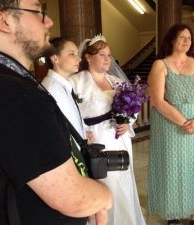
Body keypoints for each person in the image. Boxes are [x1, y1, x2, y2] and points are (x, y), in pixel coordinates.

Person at [0, 1, 112, 225]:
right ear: (3, 20)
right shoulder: (12, 94)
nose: (49, 21)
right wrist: (104, 196)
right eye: (39, 11)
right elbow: (73, 198)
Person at [69, 35, 146, 225]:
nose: (107, 59)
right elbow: (68, 113)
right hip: (95, 142)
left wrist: (128, 121)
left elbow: (134, 108)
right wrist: (82, 132)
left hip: (119, 138)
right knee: (103, 185)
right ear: (87, 57)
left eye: (109, 55)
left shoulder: (117, 82)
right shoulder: (75, 83)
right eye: (101, 54)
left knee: (123, 183)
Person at [147, 23, 194, 225]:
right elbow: (158, 101)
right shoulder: (160, 65)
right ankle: (172, 213)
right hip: (169, 124)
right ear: (171, 40)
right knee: (172, 166)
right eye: (182, 38)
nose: (187, 41)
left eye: (189, 38)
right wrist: (184, 122)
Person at [41, 37, 87, 140]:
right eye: (72, 54)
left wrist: (83, 133)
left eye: (77, 54)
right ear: (55, 58)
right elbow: (53, 132)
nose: (79, 59)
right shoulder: (51, 89)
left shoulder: (62, 84)